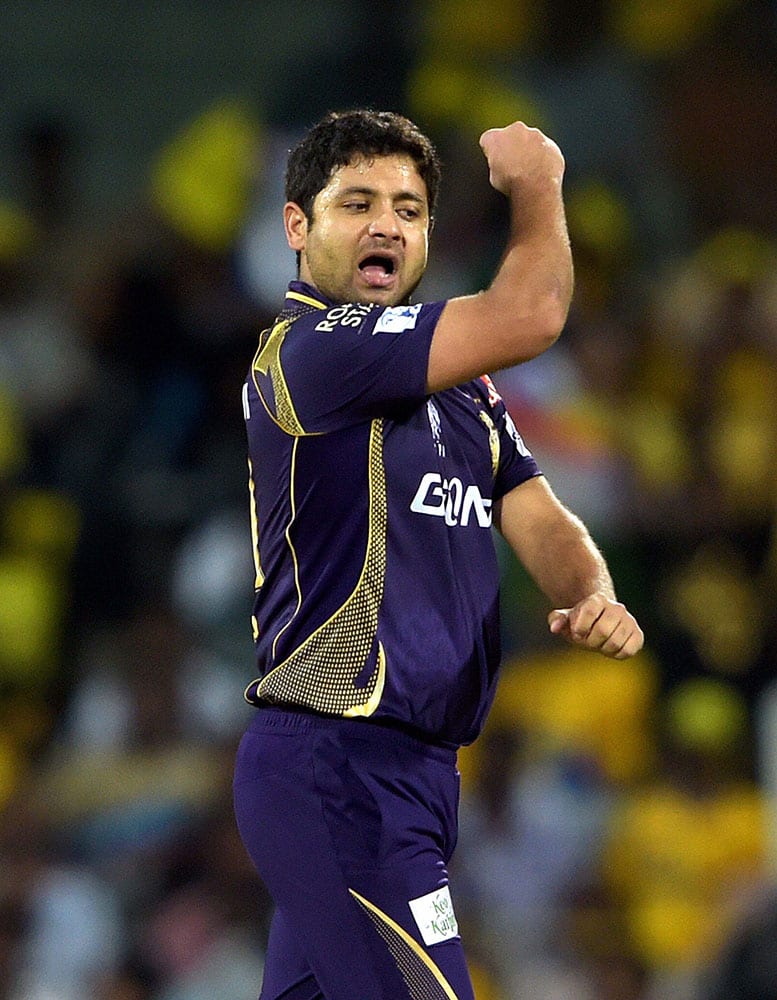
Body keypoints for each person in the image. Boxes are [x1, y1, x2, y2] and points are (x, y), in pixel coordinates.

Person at [232, 109, 643, 1000]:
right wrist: (537, 181)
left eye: (410, 209)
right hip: (338, 763)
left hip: (412, 777)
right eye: (359, 203)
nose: (387, 224)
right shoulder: (314, 352)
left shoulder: (461, 394)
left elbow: (540, 520)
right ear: (297, 227)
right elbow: (531, 313)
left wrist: (592, 592)